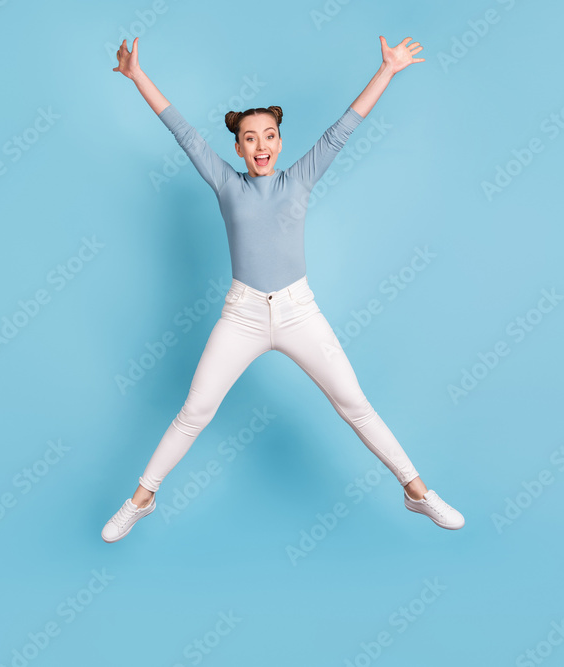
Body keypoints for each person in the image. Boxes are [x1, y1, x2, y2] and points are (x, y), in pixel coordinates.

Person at [103, 35, 463, 543]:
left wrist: (387, 70)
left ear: (279, 141)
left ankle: (418, 492)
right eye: (249, 139)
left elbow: (344, 129)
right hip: (243, 314)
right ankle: (140, 500)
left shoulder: (299, 179)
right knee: (195, 411)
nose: (261, 146)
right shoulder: (227, 185)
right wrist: (137, 75)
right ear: (237, 147)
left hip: (298, 312)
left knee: (354, 403)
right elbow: (182, 132)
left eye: (268, 136)